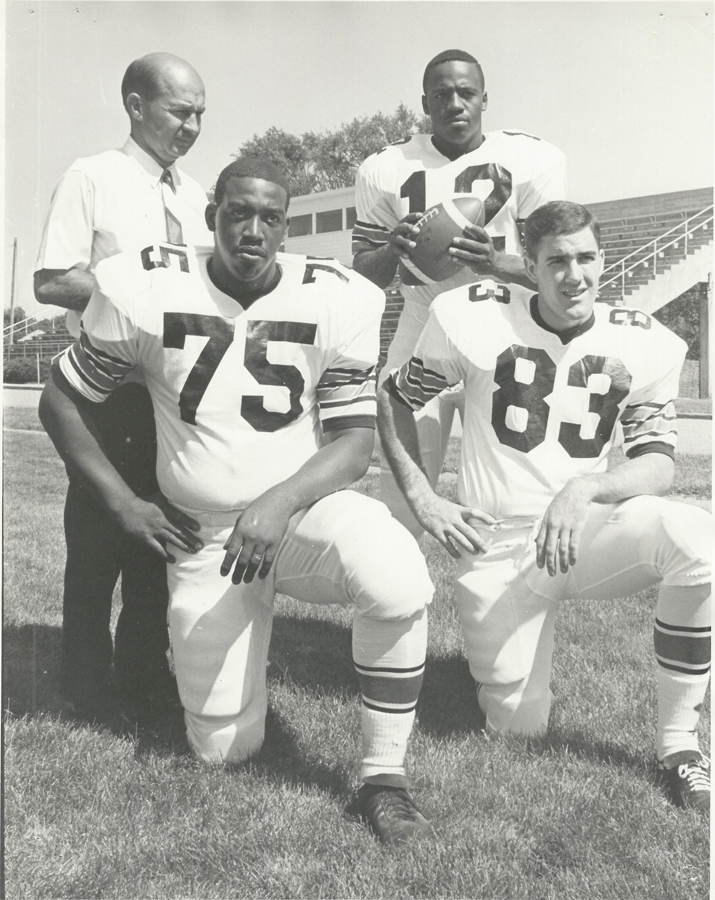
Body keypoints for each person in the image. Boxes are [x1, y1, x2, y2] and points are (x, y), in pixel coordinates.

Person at [39, 157, 436, 846]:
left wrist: (277, 505)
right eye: (237, 213)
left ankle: (384, 779)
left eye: (270, 217)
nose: (252, 230)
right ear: (210, 215)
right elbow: (61, 401)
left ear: (287, 226)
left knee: (397, 578)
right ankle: (241, 666)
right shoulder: (146, 287)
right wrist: (126, 504)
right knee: (223, 748)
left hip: (303, 515)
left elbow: (350, 442)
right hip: (207, 538)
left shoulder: (338, 297)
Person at [377, 201, 712, 813]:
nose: (574, 275)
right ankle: (499, 669)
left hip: (582, 531)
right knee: (517, 727)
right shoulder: (467, 317)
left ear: (603, 259)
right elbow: (395, 397)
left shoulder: (645, 339)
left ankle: (680, 745)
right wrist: (423, 497)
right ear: (528, 265)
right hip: (497, 543)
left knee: (697, 541)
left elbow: (659, 461)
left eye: (586, 258)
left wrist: (584, 488)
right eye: (556, 260)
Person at [34, 53, 212, 726]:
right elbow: (51, 280)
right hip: (109, 390)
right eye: (179, 111)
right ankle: (82, 684)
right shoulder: (94, 177)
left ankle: (143, 673)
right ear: (136, 106)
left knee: (160, 545)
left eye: (200, 113)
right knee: (98, 540)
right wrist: (137, 293)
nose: (192, 125)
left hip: (176, 396)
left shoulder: (196, 199)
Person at [353, 49, 567, 537]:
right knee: (403, 477)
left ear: (485, 99)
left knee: (511, 477)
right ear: (424, 102)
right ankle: (399, 590)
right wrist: (393, 248)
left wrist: (495, 262)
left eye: (466, 93)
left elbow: (555, 269)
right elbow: (365, 277)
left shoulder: (532, 159)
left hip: (503, 323)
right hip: (422, 317)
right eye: (442, 94)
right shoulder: (385, 167)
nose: (455, 103)